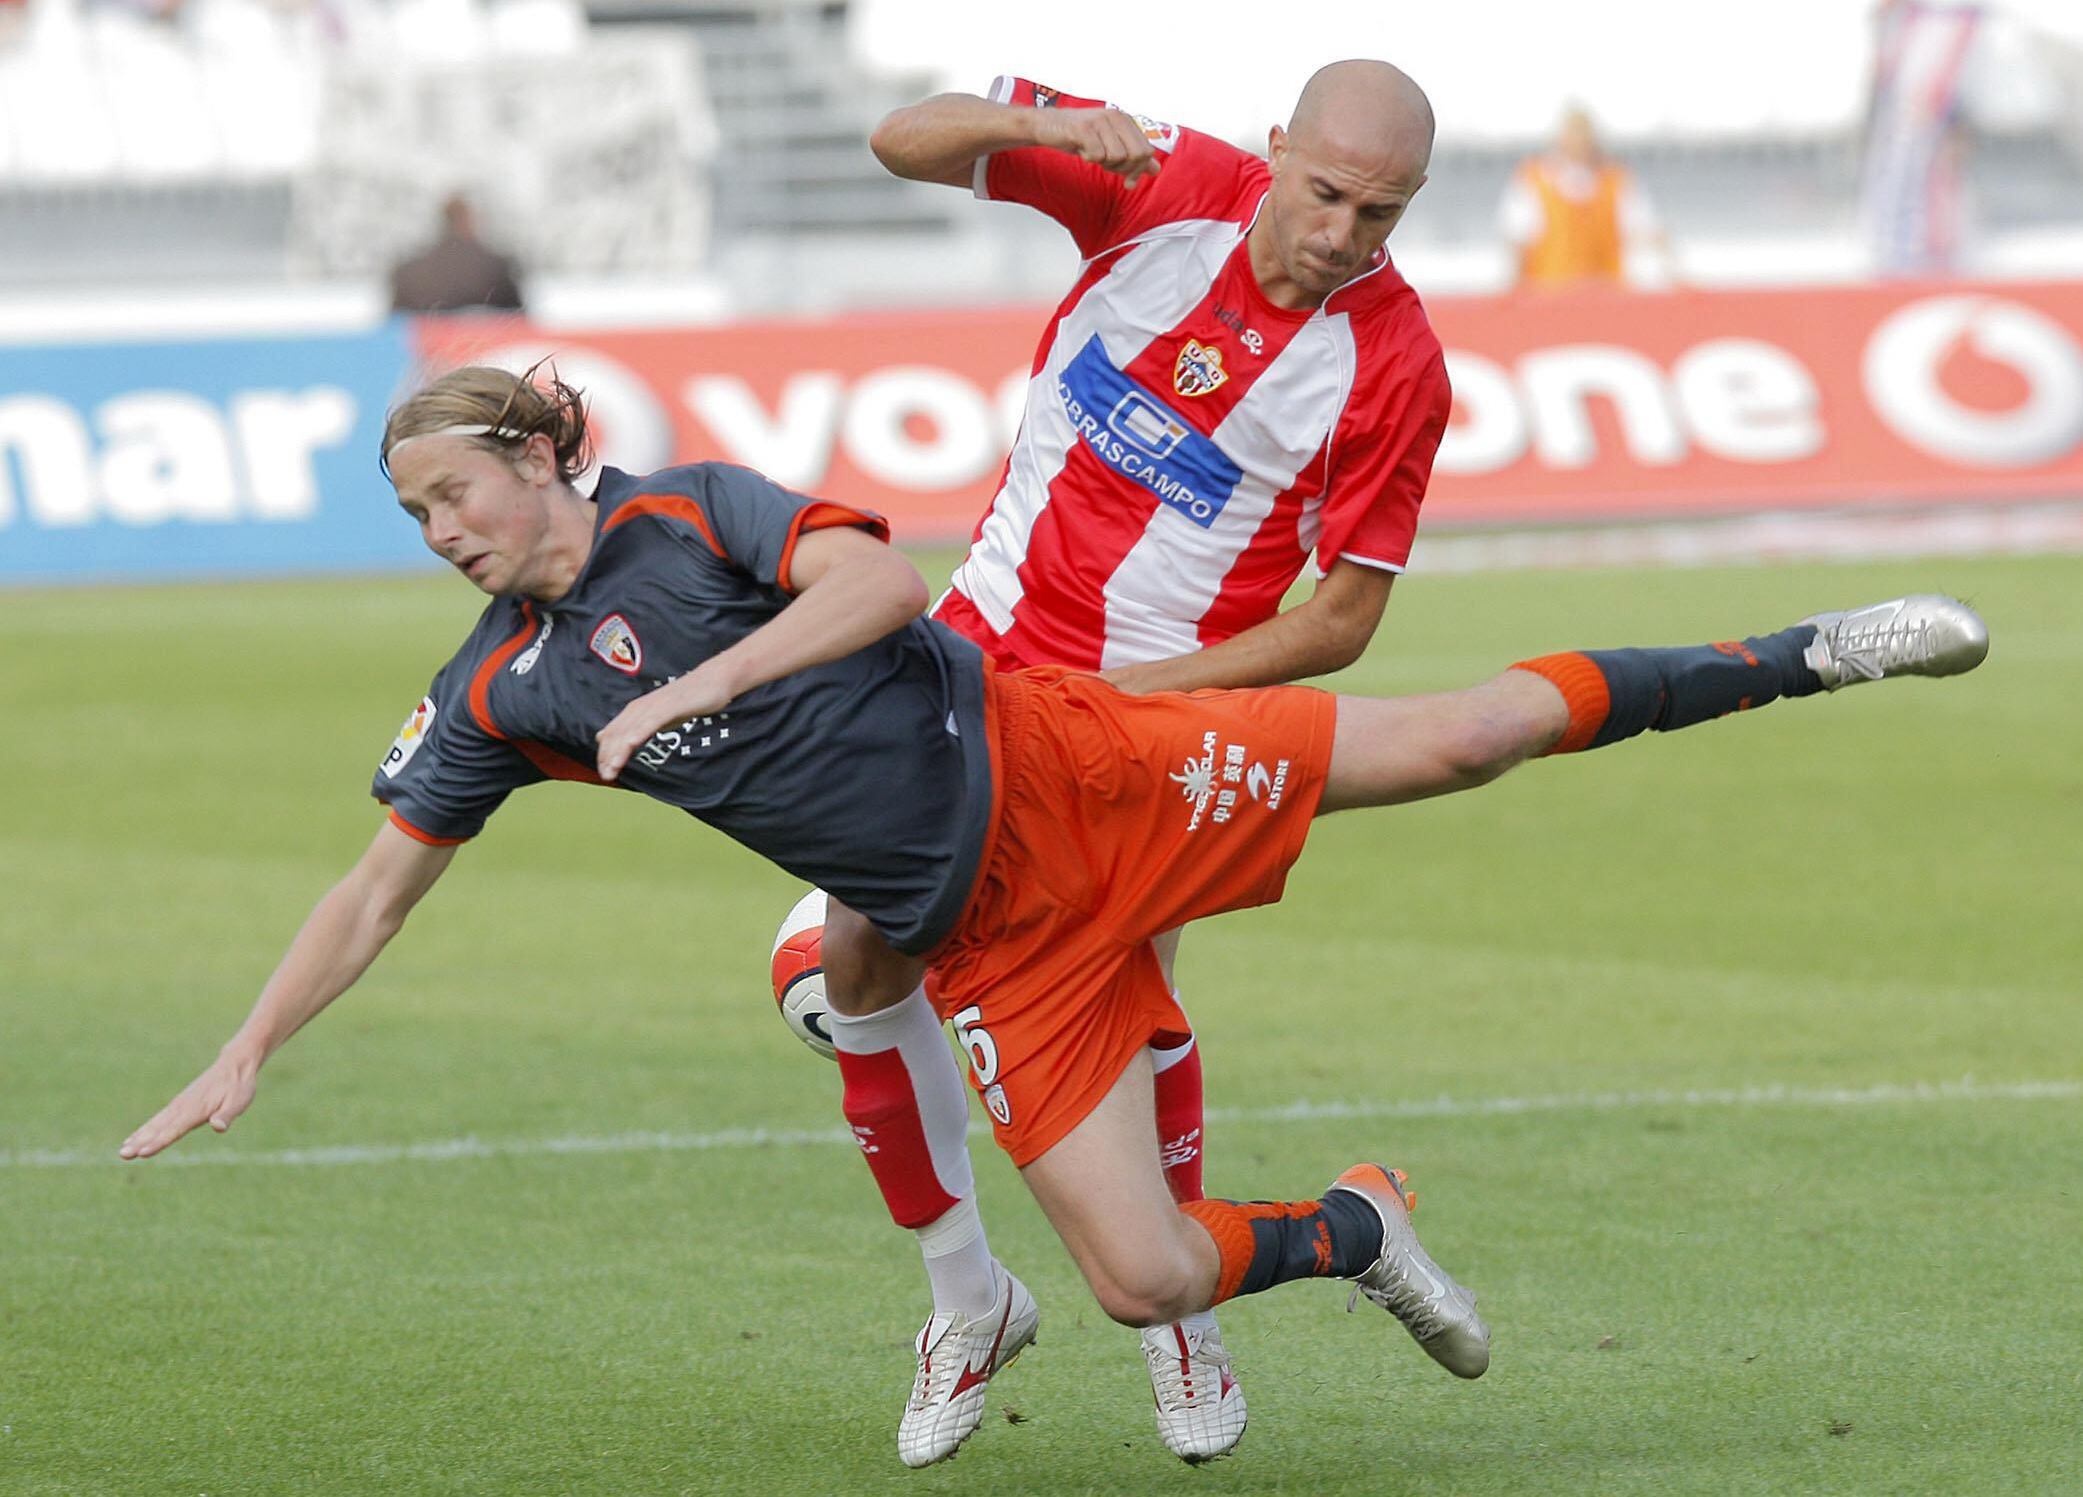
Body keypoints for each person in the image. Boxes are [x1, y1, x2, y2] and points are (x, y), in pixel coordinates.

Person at [120, 368, 1988, 1468]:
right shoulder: (501, 692)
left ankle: (1809, 649)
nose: (438, 528)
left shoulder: (688, 516)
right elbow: (378, 878)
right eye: (415, 512)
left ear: (535, 459)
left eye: (450, 490)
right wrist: (247, 1044)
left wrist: (702, 689)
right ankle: (1355, 1225)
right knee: (1145, 1274)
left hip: (1073, 762)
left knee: (1463, 739)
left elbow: (882, 576)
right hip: (992, 936)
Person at [851, 58, 1448, 1462]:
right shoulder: (1157, 183)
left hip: (1152, 727)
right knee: (838, 971)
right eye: (1323, 193)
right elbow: (897, 141)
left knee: (1130, 1000)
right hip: (967, 666)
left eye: (1381, 214)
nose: (1342, 235)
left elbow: (1342, 620)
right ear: (1270, 149)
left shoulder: (1395, 361)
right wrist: (1042, 127)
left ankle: (1179, 1322)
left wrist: (1146, 698)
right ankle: (970, 1300)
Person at [1498, 105, 1669, 290]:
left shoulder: (1616, 179)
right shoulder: (1535, 178)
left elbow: (1642, 228)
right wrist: (1515, 287)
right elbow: (1517, 237)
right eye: (1573, 134)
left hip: (1607, 290)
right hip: (1550, 292)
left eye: (1583, 134)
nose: (1579, 141)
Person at [388, 193, 527, 315]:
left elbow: (395, 325)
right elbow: (516, 321)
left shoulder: (410, 271)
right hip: (481, 342)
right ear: (467, 220)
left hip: (425, 343)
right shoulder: (493, 267)